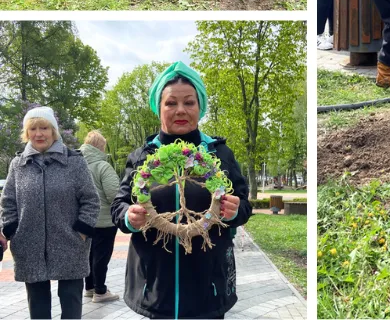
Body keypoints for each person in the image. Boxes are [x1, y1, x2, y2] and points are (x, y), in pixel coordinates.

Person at [111, 62, 252, 319]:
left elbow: (244, 205)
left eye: (189, 102)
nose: (180, 110)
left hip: (207, 285)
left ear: (200, 108)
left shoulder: (219, 154)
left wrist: (235, 210)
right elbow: (118, 205)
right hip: (154, 286)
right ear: (158, 107)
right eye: (170, 103)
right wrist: (128, 217)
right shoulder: (143, 157)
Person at [1, 106, 99, 319]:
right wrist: (11, 229)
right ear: (27, 133)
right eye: (33, 129)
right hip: (29, 245)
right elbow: (8, 202)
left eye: (44, 127)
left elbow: (91, 200)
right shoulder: (18, 164)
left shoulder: (75, 162)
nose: (38, 134)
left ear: (53, 131)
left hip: (70, 244)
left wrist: (81, 232)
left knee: (71, 306)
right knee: (38, 309)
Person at [78, 131, 121, 303]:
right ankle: (101, 291)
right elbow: (114, 194)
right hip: (104, 221)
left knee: (88, 255)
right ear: (100, 147)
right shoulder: (103, 166)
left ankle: (89, 288)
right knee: (101, 256)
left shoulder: (76, 165)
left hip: (83, 220)